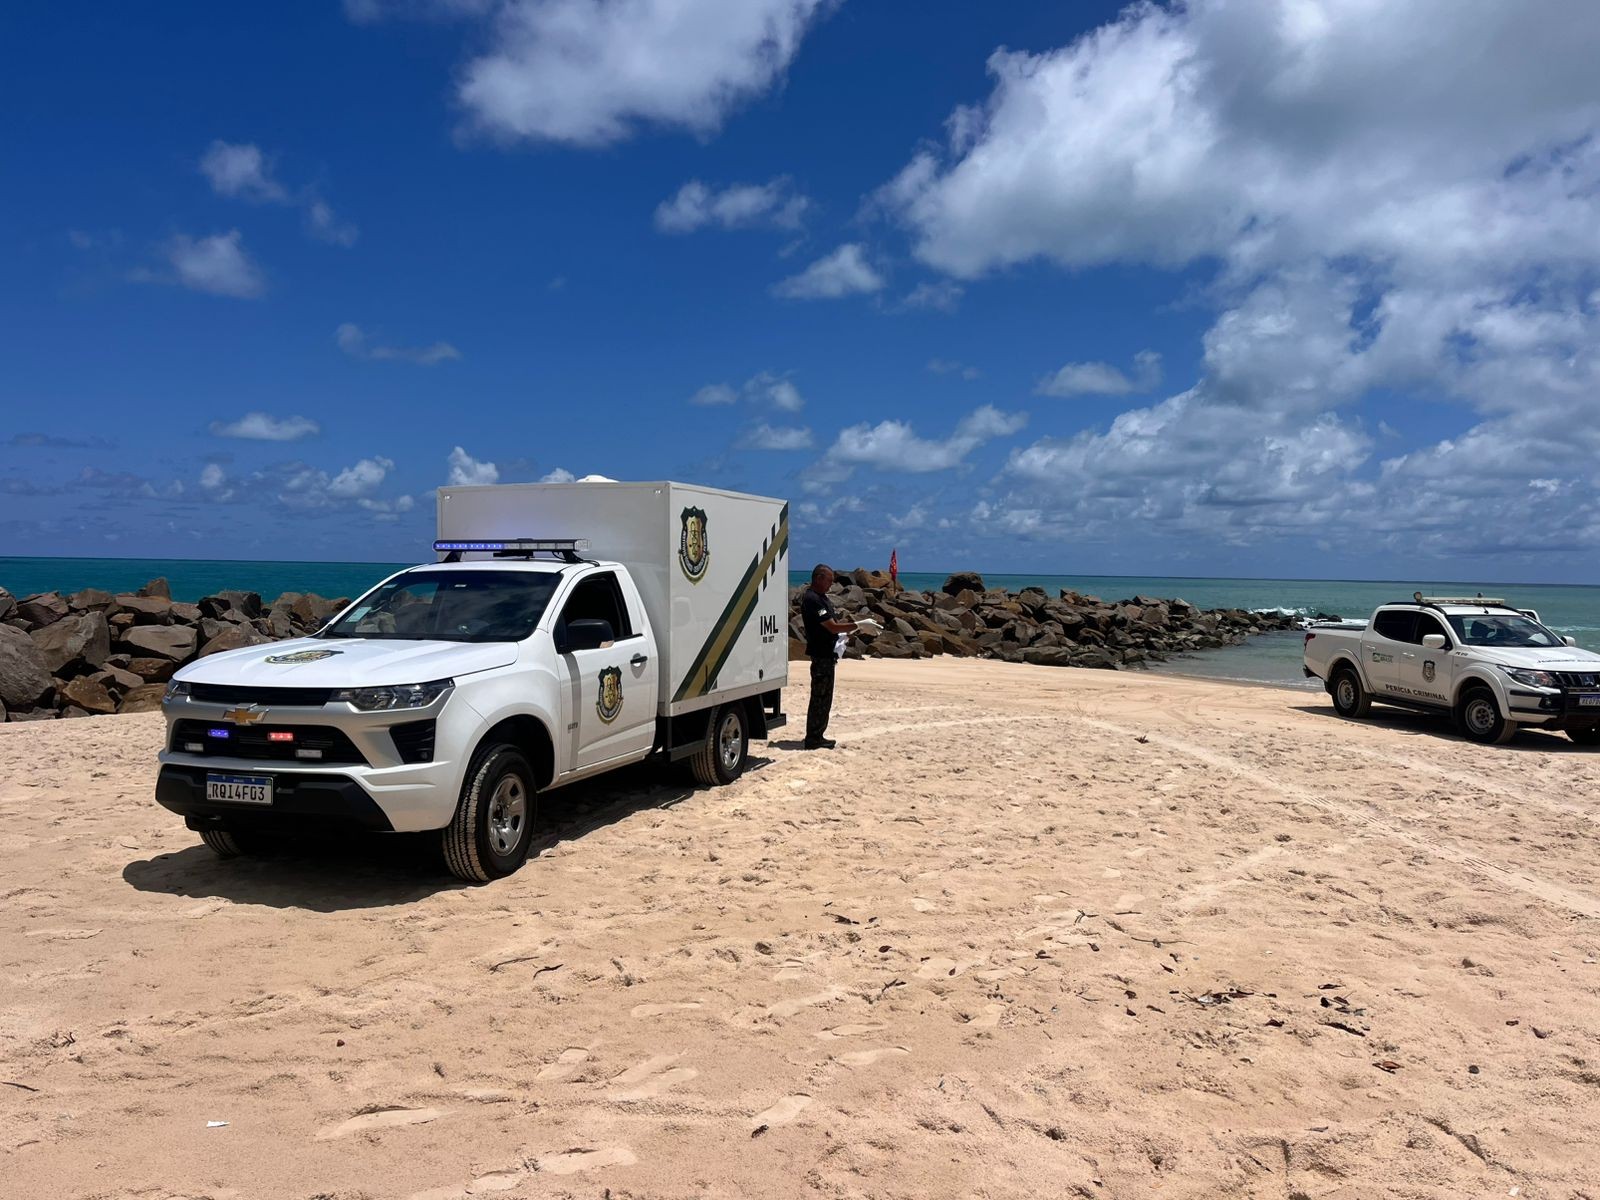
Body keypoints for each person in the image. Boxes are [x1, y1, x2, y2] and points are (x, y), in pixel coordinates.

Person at [800, 564, 857, 750]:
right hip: (821, 655)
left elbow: (833, 625)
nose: (831, 584)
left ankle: (818, 735)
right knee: (820, 697)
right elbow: (831, 626)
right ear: (819, 578)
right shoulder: (813, 599)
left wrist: (845, 632)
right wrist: (857, 625)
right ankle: (814, 737)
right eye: (829, 580)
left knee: (825, 697)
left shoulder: (822, 598)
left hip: (827, 653)